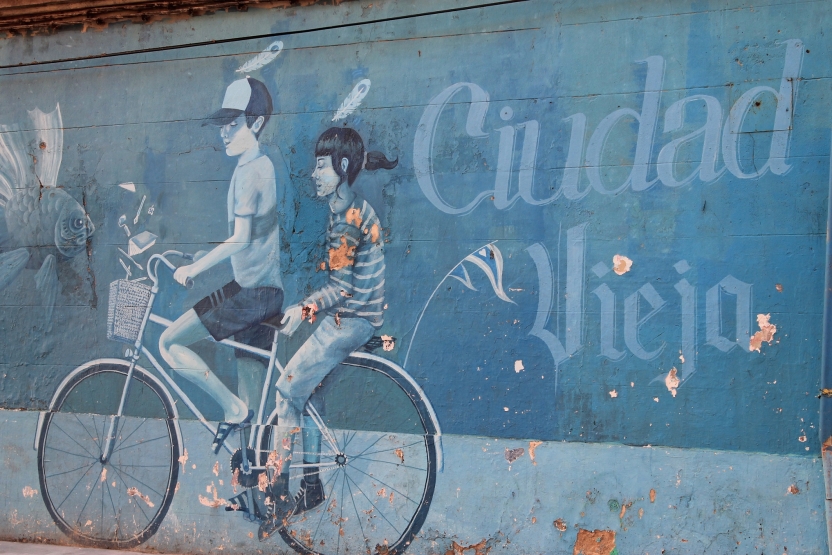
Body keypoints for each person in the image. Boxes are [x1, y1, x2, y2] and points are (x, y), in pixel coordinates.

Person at [258, 127, 397, 540]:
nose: (313, 174)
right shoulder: (347, 209)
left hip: (351, 320)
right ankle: (312, 485)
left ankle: (279, 492)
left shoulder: (347, 221)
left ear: (341, 167)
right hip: (357, 318)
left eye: (321, 165)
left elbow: (341, 289)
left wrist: (304, 309)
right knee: (308, 393)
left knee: (285, 391)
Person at [159, 77, 285, 453]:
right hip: (263, 291)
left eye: (234, 124)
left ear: (257, 123)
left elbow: (242, 239)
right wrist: (203, 260)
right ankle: (254, 490)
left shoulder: (251, 172)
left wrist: (194, 272)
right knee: (254, 411)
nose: (225, 134)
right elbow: (251, 239)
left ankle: (229, 409)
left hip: (251, 294)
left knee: (168, 343)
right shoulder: (256, 166)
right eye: (223, 125)